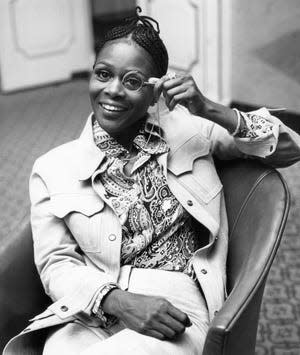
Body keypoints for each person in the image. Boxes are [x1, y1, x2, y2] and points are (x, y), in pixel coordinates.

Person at [3, 6, 300, 355]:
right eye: (102, 74)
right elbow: (56, 264)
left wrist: (210, 109)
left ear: (155, 90)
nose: (112, 90)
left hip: (176, 307)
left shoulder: (193, 133)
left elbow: (289, 147)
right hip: (94, 306)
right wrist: (119, 301)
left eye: (132, 81)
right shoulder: (52, 167)